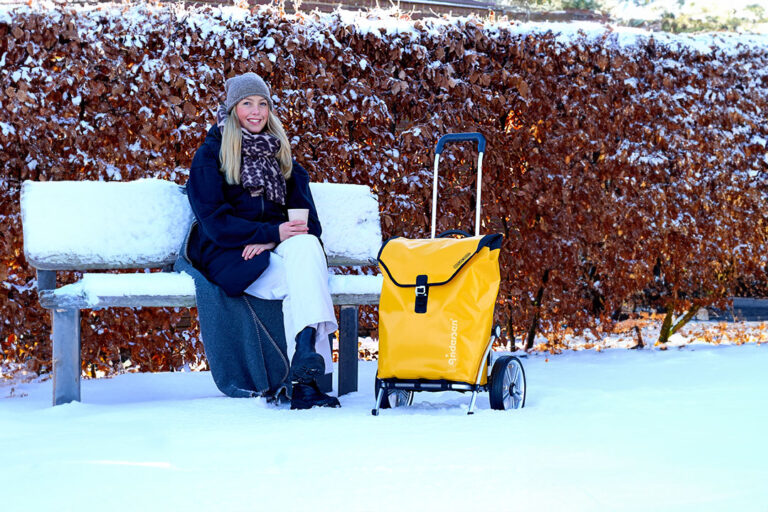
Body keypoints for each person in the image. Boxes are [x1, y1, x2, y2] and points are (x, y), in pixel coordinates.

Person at [185, 72, 340, 409]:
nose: (256, 112)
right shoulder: (211, 157)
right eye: (247, 104)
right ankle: (306, 377)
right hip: (231, 255)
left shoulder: (282, 159)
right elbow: (215, 223)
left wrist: (272, 239)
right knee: (306, 280)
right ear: (232, 109)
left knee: (307, 248)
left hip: (273, 251)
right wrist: (272, 233)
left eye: (262, 104)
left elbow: (309, 223)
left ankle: (303, 354)